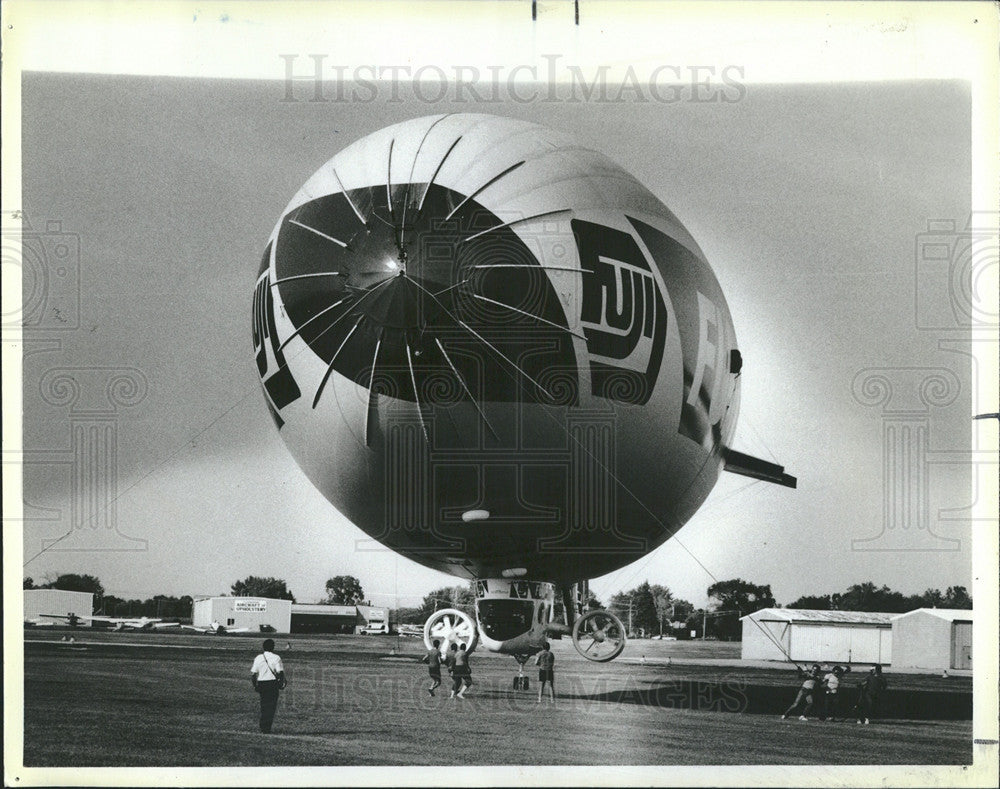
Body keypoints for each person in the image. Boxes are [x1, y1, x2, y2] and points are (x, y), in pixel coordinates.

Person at [250, 638, 286, 733]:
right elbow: (280, 672)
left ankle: (263, 726)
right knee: (271, 706)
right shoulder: (276, 658)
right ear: (273, 647)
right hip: (272, 683)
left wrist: (255, 686)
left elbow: (253, 674)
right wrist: (281, 683)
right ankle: (267, 727)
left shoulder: (258, 658)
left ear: (263, 647)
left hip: (262, 683)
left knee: (264, 705)